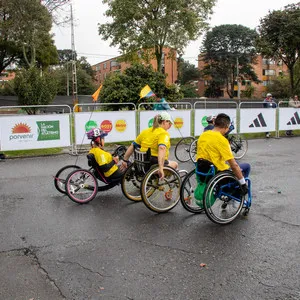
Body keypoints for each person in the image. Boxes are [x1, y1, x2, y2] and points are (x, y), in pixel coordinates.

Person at [196, 113, 250, 195]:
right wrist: (243, 183)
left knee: (236, 166)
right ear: (227, 126)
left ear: (214, 123)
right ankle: (238, 195)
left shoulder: (203, 135)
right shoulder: (222, 140)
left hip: (202, 171)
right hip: (217, 173)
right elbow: (233, 165)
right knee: (245, 166)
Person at [121, 111, 178, 179]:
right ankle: (163, 179)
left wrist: (125, 160)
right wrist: (161, 167)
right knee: (175, 164)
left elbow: (133, 146)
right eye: (169, 123)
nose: (170, 125)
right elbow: (162, 148)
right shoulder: (163, 133)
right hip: (153, 164)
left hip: (141, 163)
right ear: (164, 122)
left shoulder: (145, 131)